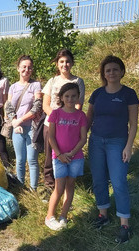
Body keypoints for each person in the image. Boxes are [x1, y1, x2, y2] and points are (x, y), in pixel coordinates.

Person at [87, 55, 139, 243]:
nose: (111, 73)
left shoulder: (129, 94)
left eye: (115, 69)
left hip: (118, 143)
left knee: (119, 182)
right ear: (104, 74)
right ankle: (103, 214)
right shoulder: (97, 94)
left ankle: (124, 224)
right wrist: (79, 139)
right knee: (99, 179)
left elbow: (133, 124)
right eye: (108, 70)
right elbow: (88, 119)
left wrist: (128, 146)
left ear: (122, 72)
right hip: (96, 142)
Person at [44, 83, 87, 231]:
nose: (70, 99)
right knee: (59, 187)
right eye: (67, 96)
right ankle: (50, 216)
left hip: (76, 157)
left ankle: (63, 215)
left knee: (70, 186)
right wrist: (60, 154)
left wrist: (72, 153)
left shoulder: (81, 115)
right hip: (59, 158)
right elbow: (51, 137)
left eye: (73, 96)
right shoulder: (55, 114)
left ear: (78, 97)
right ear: (61, 97)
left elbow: (83, 138)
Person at [42, 49, 85, 189]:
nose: (64, 64)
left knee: (69, 153)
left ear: (72, 63)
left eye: (67, 61)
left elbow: (78, 105)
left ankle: (67, 185)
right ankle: (49, 185)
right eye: (61, 61)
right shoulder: (52, 81)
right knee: (51, 154)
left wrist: (67, 120)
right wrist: (57, 120)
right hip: (51, 124)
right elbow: (45, 105)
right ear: (57, 64)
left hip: (71, 125)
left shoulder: (78, 81)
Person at [5, 55, 42, 190]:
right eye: (24, 67)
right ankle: (20, 186)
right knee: (20, 160)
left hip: (32, 127)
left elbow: (37, 106)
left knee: (32, 159)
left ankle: (33, 188)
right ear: (18, 69)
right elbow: (8, 106)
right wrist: (14, 122)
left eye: (29, 67)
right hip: (17, 128)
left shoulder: (36, 85)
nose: (26, 70)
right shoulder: (13, 87)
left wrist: (20, 120)